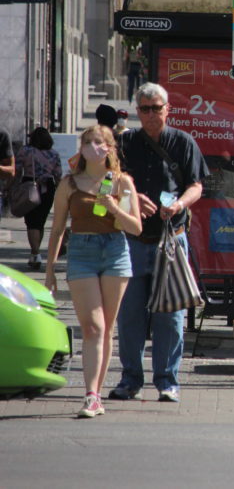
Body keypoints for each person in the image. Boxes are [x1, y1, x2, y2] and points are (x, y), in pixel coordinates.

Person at [109, 82, 208, 404]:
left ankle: (168, 381)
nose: (151, 114)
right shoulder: (124, 143)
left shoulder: (183, 142)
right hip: (133, 240)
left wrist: (179, 204)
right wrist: (132, 196)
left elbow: (196, 185)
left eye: (156, 108)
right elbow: (106, 184)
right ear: (137, 111)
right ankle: (130, 380)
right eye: (145, 108)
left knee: (171, 316)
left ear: (168, 109)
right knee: (130, 316)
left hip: (171, 241)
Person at [43, 125, 142, 418]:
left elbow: (135, 227)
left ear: (110, 149)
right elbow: (58, 227)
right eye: (87, 142)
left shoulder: (121, 183)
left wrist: (114, 209)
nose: (92, 147)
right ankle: (90, 395)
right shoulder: (69, 184)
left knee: (107, 329)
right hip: (82, 252)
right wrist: (50, 269)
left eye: (98, 142)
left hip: (115, 251)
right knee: (93, 327)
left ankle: (96, 395)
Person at [16, 127, 64, 269]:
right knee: (40, 221)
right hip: (48, 188)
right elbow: (58, 174)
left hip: (29, 185)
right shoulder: (54, 154)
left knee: (31, 221)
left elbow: (17, 169)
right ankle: (35, 254)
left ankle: (35, 253)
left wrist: (12, 187)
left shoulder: (26, 151)